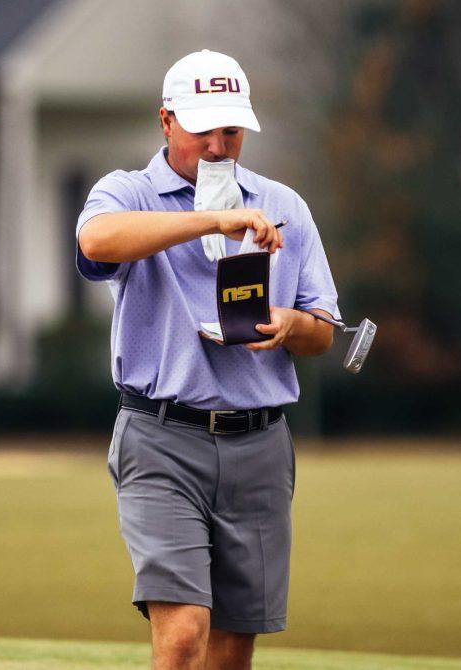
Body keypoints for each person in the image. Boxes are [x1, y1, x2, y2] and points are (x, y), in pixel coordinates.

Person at [75, 49, 340, 670]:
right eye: (204, 130)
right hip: (161, 436)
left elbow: (323, 329)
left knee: (229, 650)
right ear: (166, 122)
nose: (219, 145)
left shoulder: (284, 205)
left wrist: (292, 327)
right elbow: (95, 241)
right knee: (183, 634)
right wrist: (211, 218)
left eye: (232, 130)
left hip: (259, 443)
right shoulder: (128, 190)